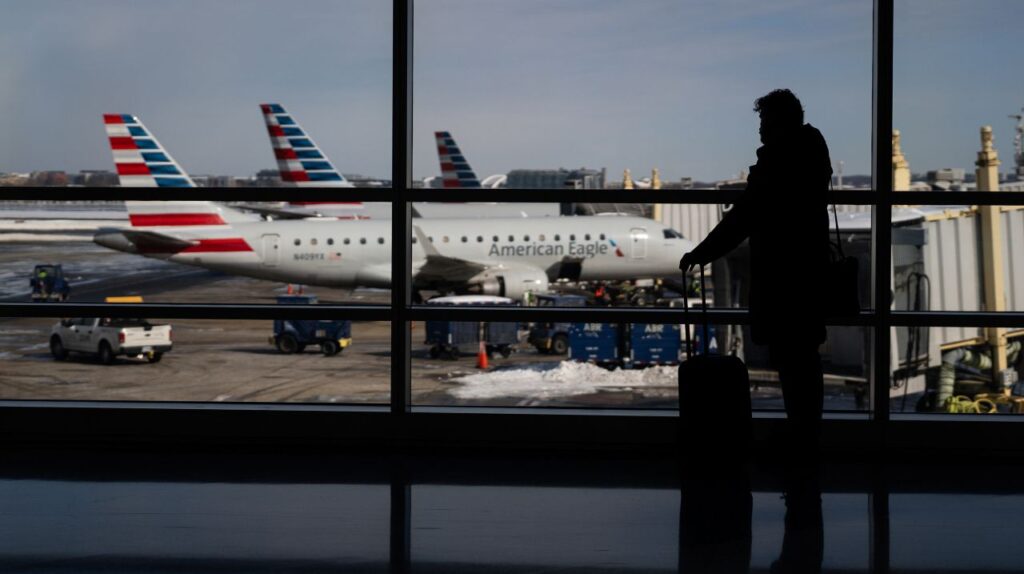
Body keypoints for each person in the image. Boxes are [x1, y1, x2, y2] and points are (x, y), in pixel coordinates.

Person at [679, 89, 832, 450]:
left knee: (793, 361)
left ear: (778, 121)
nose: (760, 130)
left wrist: (704, 251)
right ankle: (806, 435)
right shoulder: (811, 151)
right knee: (804, 360)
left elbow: (745, 215)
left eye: (764, 121)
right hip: (807, 272)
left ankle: (802, 438)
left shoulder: (780, 161)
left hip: (783, 276)